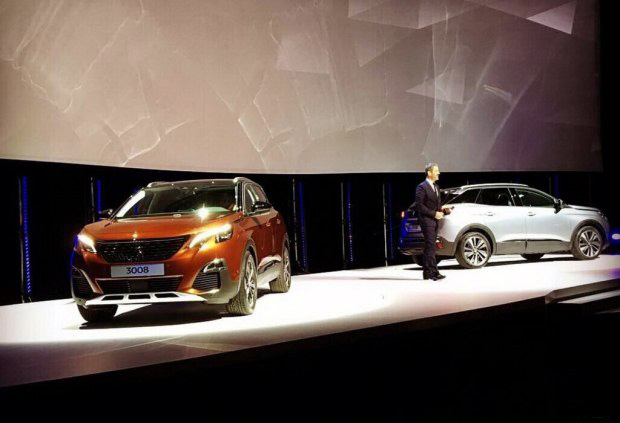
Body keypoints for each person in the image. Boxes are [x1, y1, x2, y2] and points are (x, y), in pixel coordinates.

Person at [415, 163, 450, 281]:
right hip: (426, 220)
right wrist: (434, 214)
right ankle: (433, 273)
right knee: (430, 246)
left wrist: (443, 211)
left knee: (430, 247)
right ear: (429, 173)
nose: (439, 173)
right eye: (436, 171)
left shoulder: (436, 187)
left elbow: (436, 205)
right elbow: (420, 206)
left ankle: (427, 273)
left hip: (434, 221)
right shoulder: (421, 187)